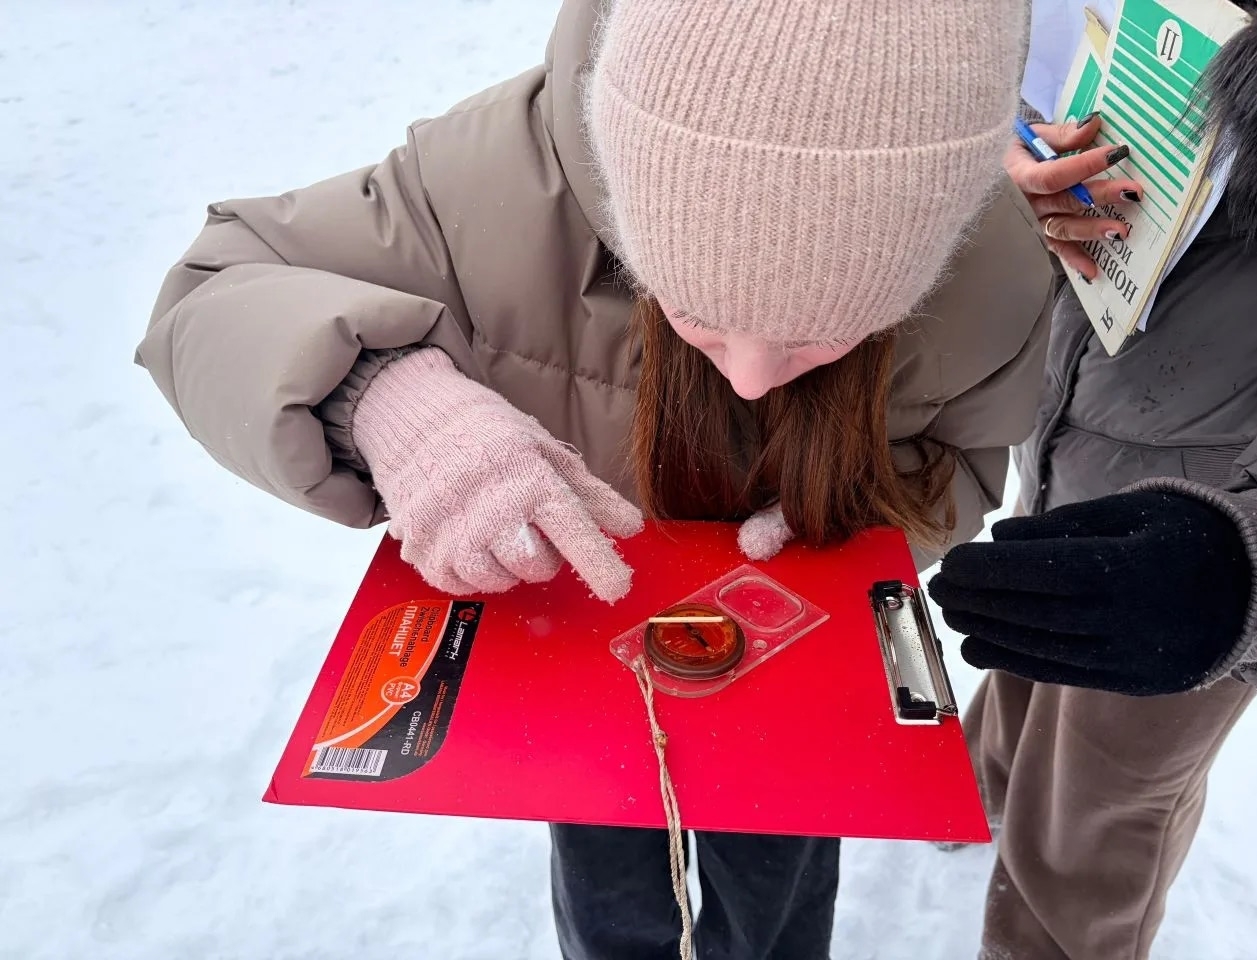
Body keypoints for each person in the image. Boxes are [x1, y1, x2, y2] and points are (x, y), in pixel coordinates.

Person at [137, 1, 1048, 956]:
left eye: (823, 336)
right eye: (698, 314)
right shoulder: (491, 186)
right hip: (578, 656)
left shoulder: (999, 274)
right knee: (608, 881)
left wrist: (856, 525)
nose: (749, 378)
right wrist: (381, 392)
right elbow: (214, 292)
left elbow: (962, 461)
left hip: (792, 678)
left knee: (775, 886)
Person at [929, 4, 1257, 958]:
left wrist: (1243, 567)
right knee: (1023, 653)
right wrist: (1017, 176)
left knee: (1095, 813)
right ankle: (984, 787)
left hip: (1204, 530)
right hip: (1072, 435)